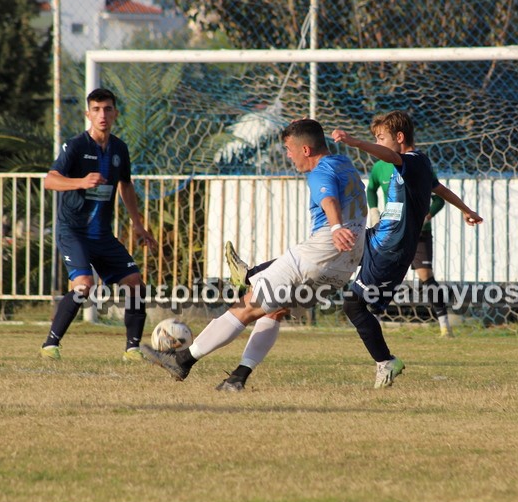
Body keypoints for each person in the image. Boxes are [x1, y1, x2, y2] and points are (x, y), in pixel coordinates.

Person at [140, 117, 368, 391]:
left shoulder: (319, 171)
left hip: (322, 249)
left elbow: (328, 199)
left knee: (246, 306)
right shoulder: (343, 162)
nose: (288, 155)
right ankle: (238, 378)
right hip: (346, 263)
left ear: (306, 150)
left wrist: (335, 227)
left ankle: (182, 360)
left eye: (289, 149)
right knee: (274, 311)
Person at [331, 110, 482, 388]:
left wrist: (355, 142)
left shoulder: (411, 161)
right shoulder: (418, 164)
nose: (378, 143)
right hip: (377, 237)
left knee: (354, 305)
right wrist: (466, 209)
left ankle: (386, 361)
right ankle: (259, 276)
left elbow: (393, 158)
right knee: (326, 249)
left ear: (399, 137)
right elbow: (440, 189)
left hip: (391, 250)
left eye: (381, 138)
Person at [40, 87, 156, 362]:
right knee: (83, 285)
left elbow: (125, 185)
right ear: (88, 114)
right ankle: (50, 345)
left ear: (115, 113)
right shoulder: (75, 146)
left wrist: (138, 225)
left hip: (102, 234)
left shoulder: (119, 149)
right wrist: (81, 182)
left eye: (107, 109)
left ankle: (132, 349)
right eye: (96, 109)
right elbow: (50, 180)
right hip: (73, 231)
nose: (102, 114)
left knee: (135, 283)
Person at [367, 160, 453, 336]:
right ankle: (374, 321)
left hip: (419, 232)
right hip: (394, 231)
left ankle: (445, 326)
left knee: (426, 276)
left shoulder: (417, 165)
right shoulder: (380, 166)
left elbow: (439, 199)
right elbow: (371, 189)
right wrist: (374, 210)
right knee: (385, 273)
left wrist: (425, 217)